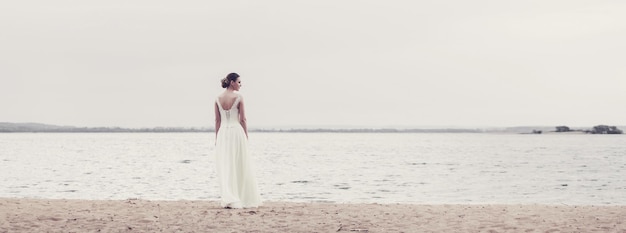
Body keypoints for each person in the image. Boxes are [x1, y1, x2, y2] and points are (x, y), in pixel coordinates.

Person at [214, 72, 261, 209]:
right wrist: (246, 136)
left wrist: (217, 138)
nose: (241, 85)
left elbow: (217, 120)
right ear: (232, 82)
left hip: (223, 133)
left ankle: (229, 195)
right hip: (236, 132)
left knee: (227, 164)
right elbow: (243, 119)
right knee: (240, 163)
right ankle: (240, 196)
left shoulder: (217, 98)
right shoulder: (239, 97)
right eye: (239, 82)